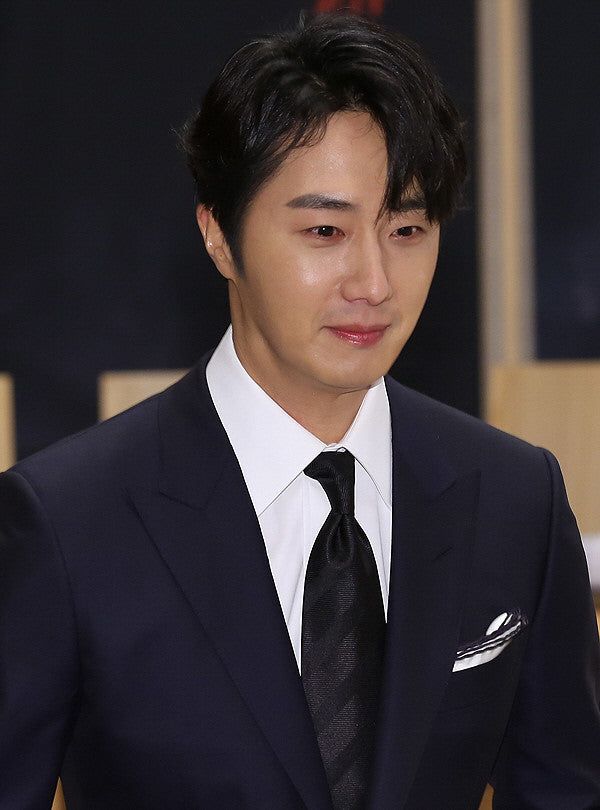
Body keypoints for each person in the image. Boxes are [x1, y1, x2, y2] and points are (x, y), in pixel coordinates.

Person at [1, 11, 599, 810]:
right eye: (324, 230)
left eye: (407, 229)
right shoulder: (69, 521)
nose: (374, 283)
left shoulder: (515, 499)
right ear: (219, 235)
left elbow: (564, 786)